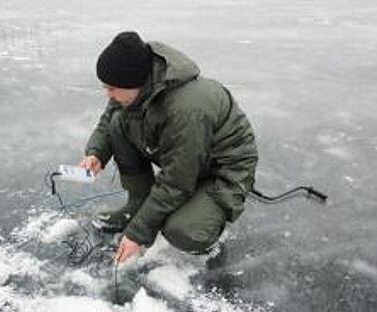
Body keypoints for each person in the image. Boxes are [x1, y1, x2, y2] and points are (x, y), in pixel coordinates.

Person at [79, 31, 258, 263]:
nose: (108, 94)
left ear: (136, 83)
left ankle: (208, 226)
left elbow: (177, 181)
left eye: (112, 88)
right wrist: (96, 153)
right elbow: (109, 119)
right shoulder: (133, 86)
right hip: (189, 159)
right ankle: (138, 203)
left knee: (183, 232)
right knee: (118, 122)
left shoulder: (187, 110)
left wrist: (138, 234)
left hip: (222, 171)